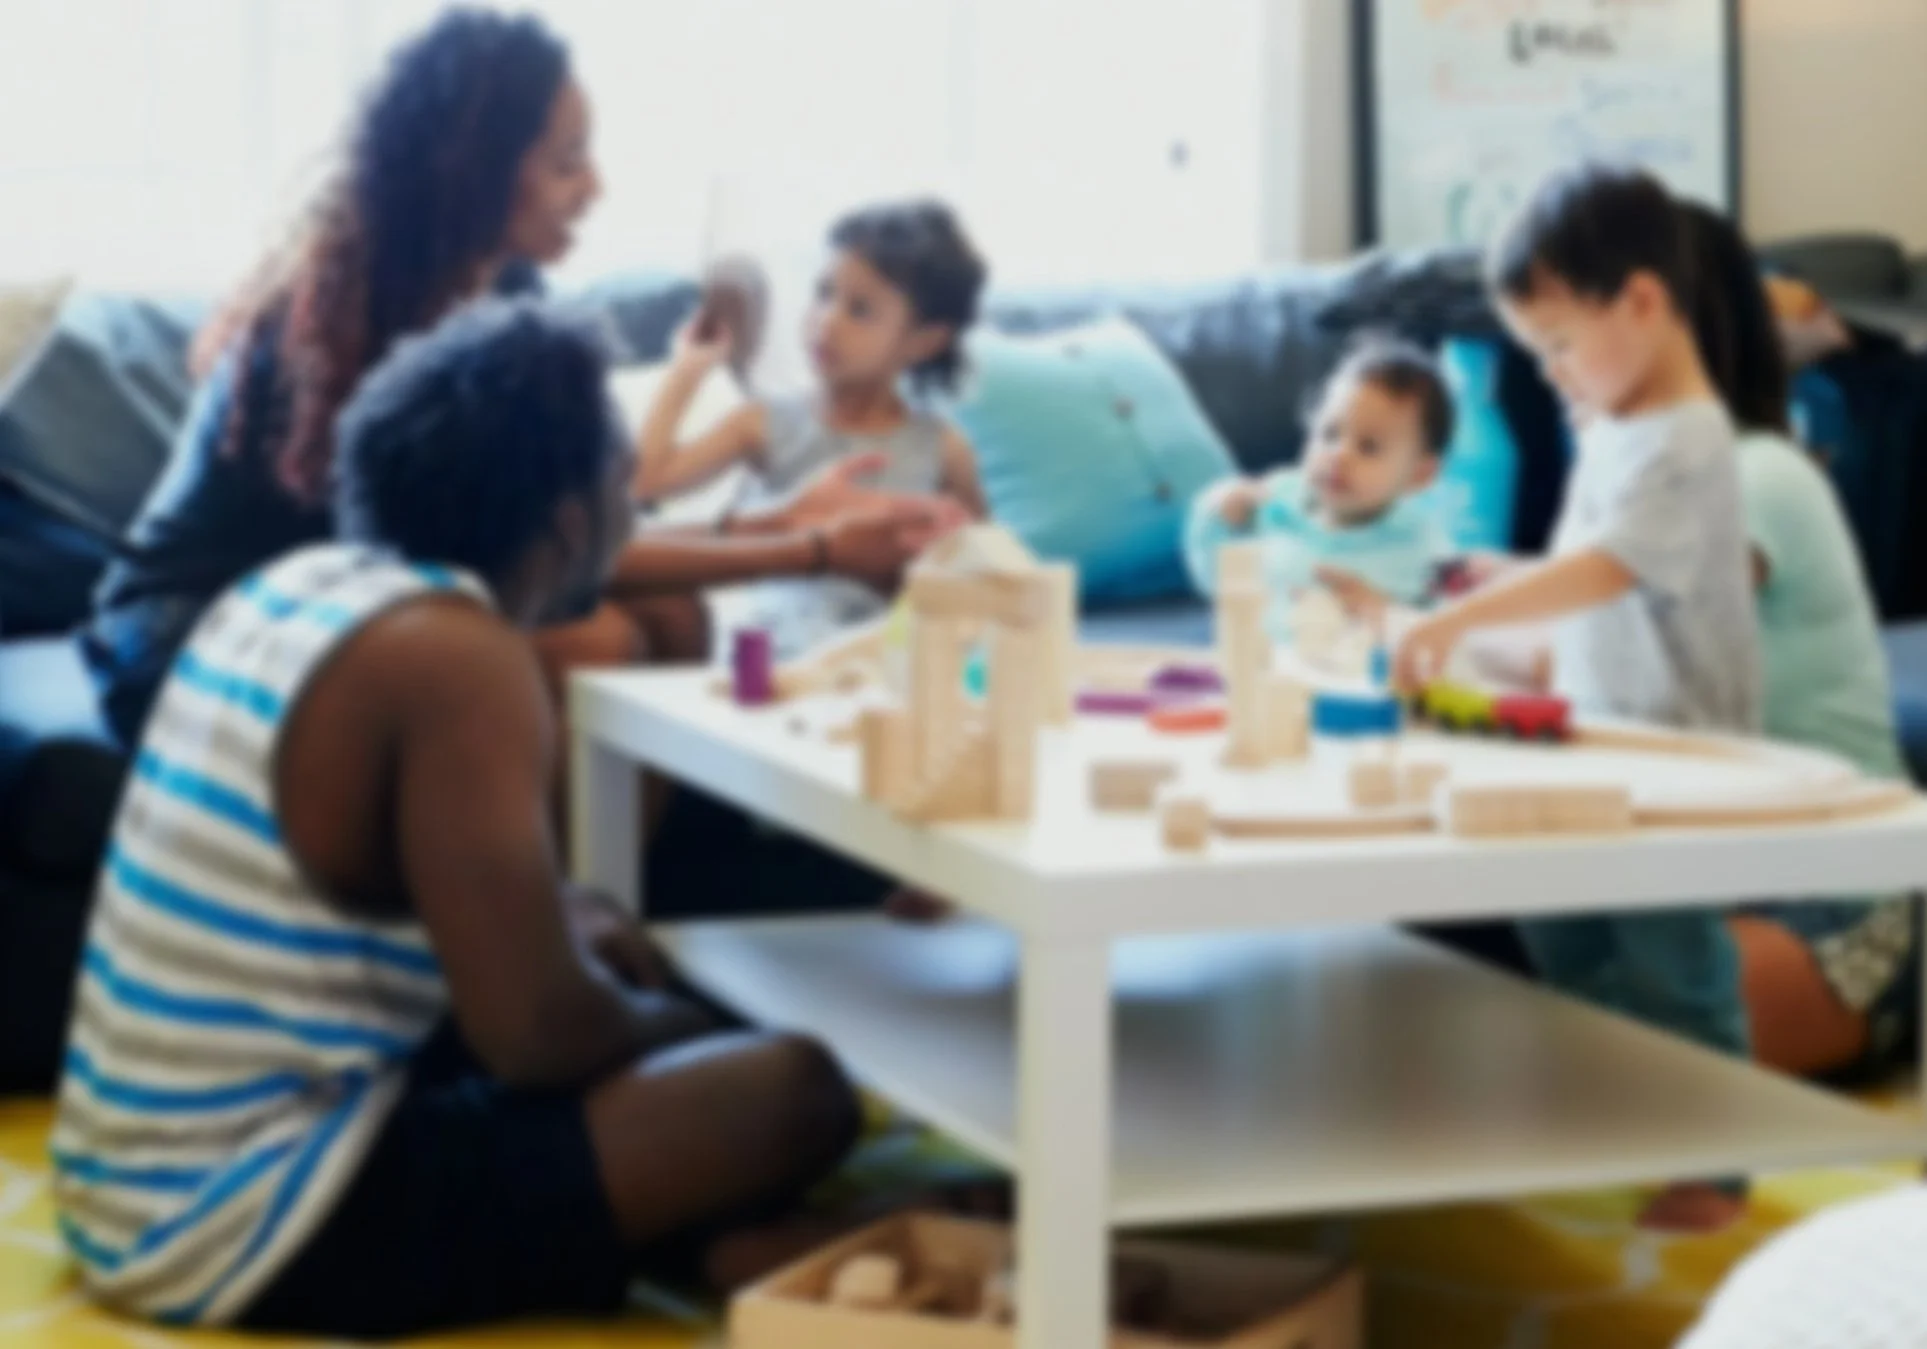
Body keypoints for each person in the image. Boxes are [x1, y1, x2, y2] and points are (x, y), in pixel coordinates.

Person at [52, 301, 862, 1337]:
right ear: (571, 522)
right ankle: (700, 1226)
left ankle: (696, 1236)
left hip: (126, 1176)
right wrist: (686, 1027)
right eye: (624, 492)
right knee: (795, 1087)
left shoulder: (297, 585)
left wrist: (584, 933)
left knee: (605, 943)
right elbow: (534, 1037)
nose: (629, 520)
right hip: (248, 1220)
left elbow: (392, 913)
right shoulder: (456, 653)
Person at [82, 7, 941, 746]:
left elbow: (579, 532)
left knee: (677, 620)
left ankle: (599, 904)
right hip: (198, 631)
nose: (595, 186)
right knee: (593, 644)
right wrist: (811, 549)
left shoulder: (511, 296)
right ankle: (514, 915)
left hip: (352, 611)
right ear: (477, 171)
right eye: (568, 160)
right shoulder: (338, 324)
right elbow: (535, 560)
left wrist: (783, 520)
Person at [1394, 164, 1762, 1225]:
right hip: (1597, 741)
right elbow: (1577, 579)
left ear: (1642, 302)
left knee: (1672, 964)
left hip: (1679, 759)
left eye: (1558, 343)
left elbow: (1607, 569)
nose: (1551, 373)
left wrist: (1456, 622)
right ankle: (1617, 1113)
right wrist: (1487, 579)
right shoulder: (1611, 431)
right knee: (1565, 936)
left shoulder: (1688, 436)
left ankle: (1714, 1164)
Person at [1681, 201, 1918, 1081]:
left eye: (1565, 336)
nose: (1549, 368)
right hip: (1706, 886)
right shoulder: (1627, 486)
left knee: (1625, 1023)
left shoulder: (1754, 476)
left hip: (1835, 909)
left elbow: (1634, 648)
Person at [634, 201, 989, 656]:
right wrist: (687, 371)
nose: (827, 320)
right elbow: (648, 479)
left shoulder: (944, 450)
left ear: (923, 341)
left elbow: (981, 573)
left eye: (859, 310)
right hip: (769, 656)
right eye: (824, 294)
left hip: (884, 663)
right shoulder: (762, 421)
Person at [1184, 337, 1457, 629]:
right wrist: (1219, 515)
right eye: (1329, 434)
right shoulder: (1276, 503)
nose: (1338, 455)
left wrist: (1390, 616)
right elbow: (1213, 579)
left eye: (1368, 447)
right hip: (1259, 665)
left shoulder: (1423, 546)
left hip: (1354, 672)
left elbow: (1450, 629)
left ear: (1419, 474)